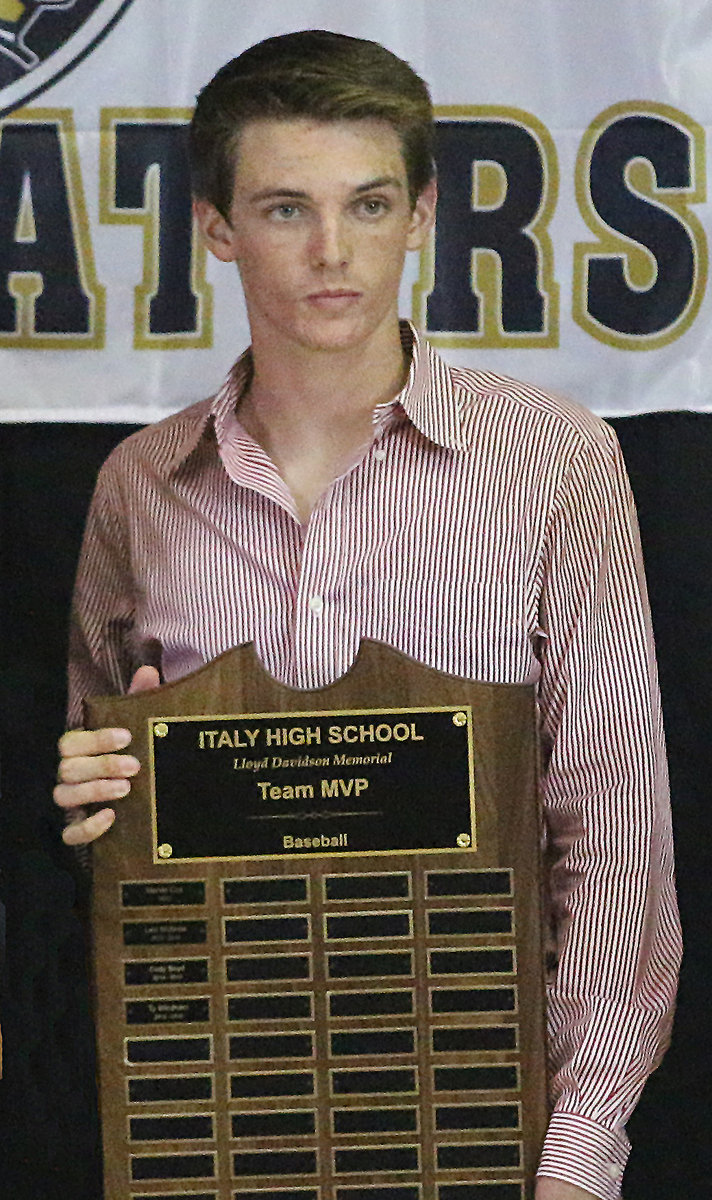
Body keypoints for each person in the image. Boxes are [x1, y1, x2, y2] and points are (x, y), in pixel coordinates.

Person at [53, 29, 680, 1200]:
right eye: (286, 209)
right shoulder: (137, 487)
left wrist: (578, 1158)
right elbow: (95, 833)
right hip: (208, 1121)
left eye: (369, 203)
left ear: (423, 213)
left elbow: (612, 835)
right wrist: (91, 801)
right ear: (216, 227)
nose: (332, 252)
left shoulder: (553, 460)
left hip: (483, 1121)